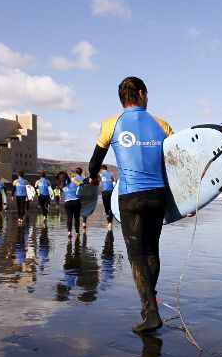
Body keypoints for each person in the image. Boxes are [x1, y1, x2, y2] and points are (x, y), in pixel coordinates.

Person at [86, 76, 173, 333]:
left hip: (130, 197)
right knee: (152, 251)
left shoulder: (111, 125)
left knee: (136, 254)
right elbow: (177, 162)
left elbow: (94, 163)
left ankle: (150, 311)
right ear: (142, 94)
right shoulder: (162, 125)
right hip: (157, 195)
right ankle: (149, 303)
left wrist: (92, 176)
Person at [62, 167, 85, 238]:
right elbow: (82, 186)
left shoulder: (63, 184)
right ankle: (77, 233)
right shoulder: (74, 181)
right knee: (76, 218)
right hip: (76, 201)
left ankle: (69, 232)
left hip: (67, 202)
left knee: (69, 218)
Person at [99, 164, 116, 231]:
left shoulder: (100, 175)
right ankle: (110, 223)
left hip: (104, 192)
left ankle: (108, 221)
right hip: (112, 192)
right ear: (106, 169)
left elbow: (97, 182)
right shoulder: (112, 174)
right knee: (111, 207)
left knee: (106, 208)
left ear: (101, 169)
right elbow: (115, 182)